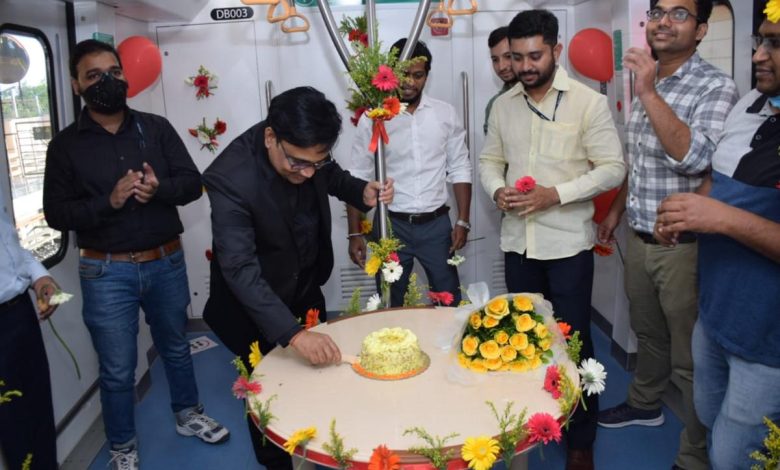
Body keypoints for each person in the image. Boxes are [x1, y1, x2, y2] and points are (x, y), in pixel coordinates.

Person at [43, 39, 228, 470]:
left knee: (176, 348)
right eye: (94, 75)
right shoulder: (65, 146)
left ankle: (188, 415)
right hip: (105, 272)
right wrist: (107, 202)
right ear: (76, 85)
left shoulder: (156, 128)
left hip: (165, 261)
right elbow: (56, 214)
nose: (107, 81)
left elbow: (191, 182)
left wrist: (158, 188)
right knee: (117, 368)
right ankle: (123, 446)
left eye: (114, 71)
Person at [201, 86, 393, 469]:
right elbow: (239, 269)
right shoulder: (229, 179)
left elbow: (332, 174)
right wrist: (292, 334)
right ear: (271, 137)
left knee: (318, 383)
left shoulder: (306, 150)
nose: (307, 174)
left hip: (304, 286)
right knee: (268, 398)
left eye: (314, 163)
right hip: (254, 309)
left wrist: (361, 191)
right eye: (297, 164)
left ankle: (321, 448)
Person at [479, 10, 625, 470]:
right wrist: (495, 188)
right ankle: (532, 421)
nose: (524, 66)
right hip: (518, 245)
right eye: (516, 57)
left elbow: (612, 168)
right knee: (522, 339)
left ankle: (581, 439)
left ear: (556, 51)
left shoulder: (587, 103)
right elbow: (489, 160)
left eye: (534, 55)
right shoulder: (503, 106)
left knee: (574, 343)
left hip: (567, 248)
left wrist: (555, 195)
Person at [596, 1, 739, 468]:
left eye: (679, 14)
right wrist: (617, 210)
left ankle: (696, 455)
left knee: (690, 360)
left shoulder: (715, 86)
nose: (662, 21)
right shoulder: (651, 82)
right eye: (657, 11)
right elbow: (640, 164)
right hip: (638, 238)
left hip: (684, 249)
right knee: (647, 334)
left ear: (700, 31)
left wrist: (648, 92)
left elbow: (695, 159)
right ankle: (644, 404)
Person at [655, 12, 780, 468]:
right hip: (718, 315)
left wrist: (721, 218)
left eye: (775, 44)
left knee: (735, 454)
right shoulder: (751, 104)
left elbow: (725, 211)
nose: (758, 56)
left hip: (767, 341)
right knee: (708, 418)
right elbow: (717, 177)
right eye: (759, 41)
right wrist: (686, 216)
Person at [347, 38, 472, 307]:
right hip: (391, 226)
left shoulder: (444, 114)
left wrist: (463, 221)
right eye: (404, 74)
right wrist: (354, 233)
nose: (410, 82)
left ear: (427, 76)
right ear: (391, 74)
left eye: (418, 75)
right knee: (389, 304)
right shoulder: (374, 117)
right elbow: (356, 177)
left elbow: (460, 166)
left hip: (437, 226)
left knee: (449, 303)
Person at [0, 203, 59, 470]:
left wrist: (40, 278)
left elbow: (10, 247)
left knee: (39, 411)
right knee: (13, 423)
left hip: (19, 311)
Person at [484, 26, 518, 135]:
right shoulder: (494, 104)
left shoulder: (541, 95)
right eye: (495, 60)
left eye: (508, 56)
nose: (501, 66)